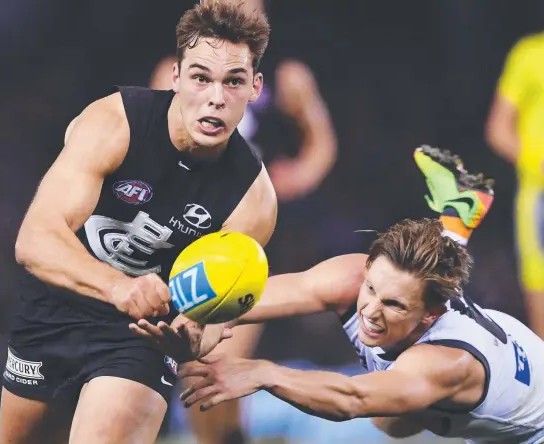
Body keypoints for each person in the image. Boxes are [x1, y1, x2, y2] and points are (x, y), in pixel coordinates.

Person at [0, 2, 277, 443]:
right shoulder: (114, 122)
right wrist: (119, 286)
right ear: (176, 77)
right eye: (201, 78)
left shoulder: (253, 200)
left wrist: (191, 338)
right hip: (56, 306)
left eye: (234, 82)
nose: (216, 98)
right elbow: (35, 240)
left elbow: (210, 322)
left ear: (255, 88)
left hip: (140, 336)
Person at [136, 147, 544, 443]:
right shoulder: (355, 278)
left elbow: (351, 398)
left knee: (388, 420)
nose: (371, 311)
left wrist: (263, 373)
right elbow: (245, 300)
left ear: (429, 316)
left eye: (394, 305)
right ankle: (456, 219)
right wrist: (194, 320)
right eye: (371, 288)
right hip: (467, 380)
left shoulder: (444, 363)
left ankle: (457, 221)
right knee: (392, 422)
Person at [150, 1, 337, 442]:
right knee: (195, 367)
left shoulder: (287, 75)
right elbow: (153, 142)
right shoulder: (174, 71)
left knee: (214, 358)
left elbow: (322, 143)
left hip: (250, 239)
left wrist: (295, 177)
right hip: (188, 233)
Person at [486, 31, 544, 339]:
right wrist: (535, 162)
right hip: (540, 195)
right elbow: (499, 129)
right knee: (539, 281)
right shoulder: (529, 54)